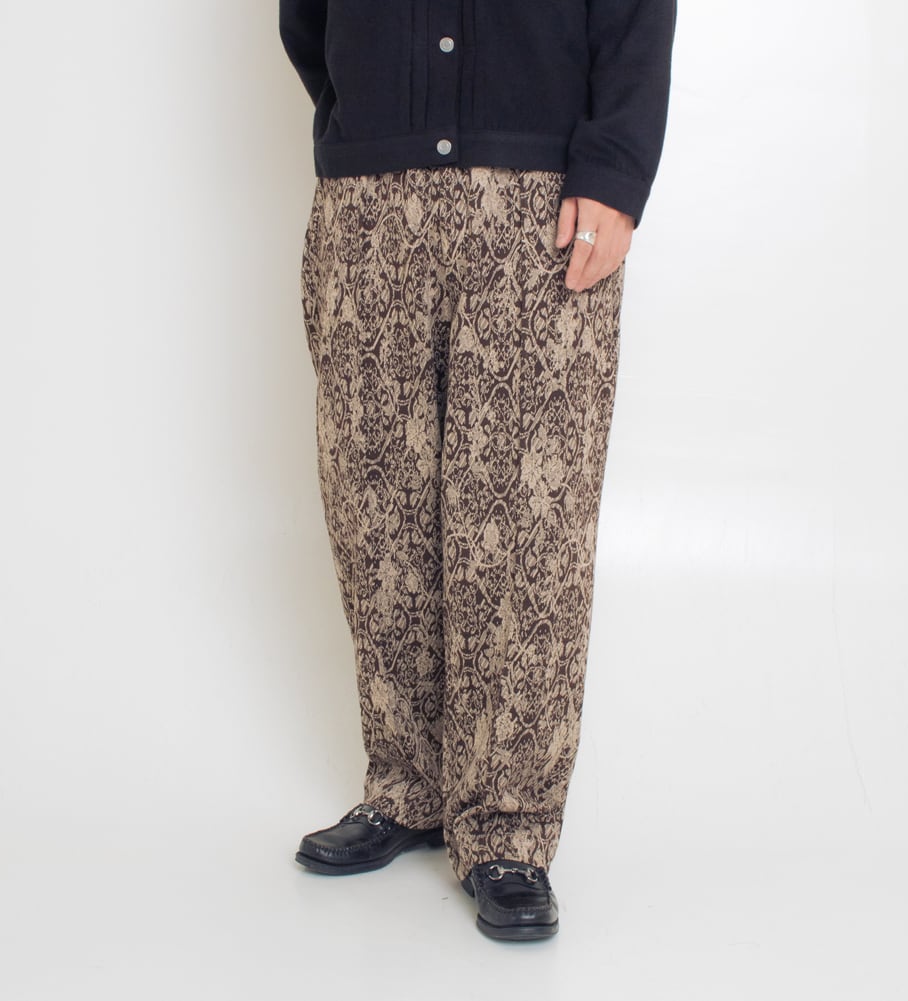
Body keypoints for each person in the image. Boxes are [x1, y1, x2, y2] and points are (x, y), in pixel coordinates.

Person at [279, 0, 677, 941]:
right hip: (370, 198)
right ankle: (407, 784)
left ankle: (508, 826)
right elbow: (306, 22)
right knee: (376, 503)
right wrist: (361, 121)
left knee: (530, 521)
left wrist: (616, 170)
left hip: (542, 200)